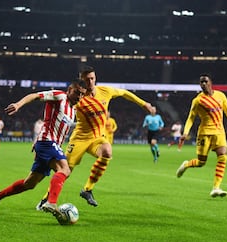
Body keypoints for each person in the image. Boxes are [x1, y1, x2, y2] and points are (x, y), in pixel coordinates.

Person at [36, 65, 155, 208]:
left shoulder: (105, 91)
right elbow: (57, 113)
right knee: (65, 171)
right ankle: (46, 198)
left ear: (95, 77)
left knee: (107, 151)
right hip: (79, 138)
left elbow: (124, 93)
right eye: (86, 80)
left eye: (92, 78)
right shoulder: (77, 97)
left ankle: (87, 189)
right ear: (81, 81)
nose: (90, 82)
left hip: (97, 138)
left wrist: (144, 104)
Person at [0, 80, 87, 224]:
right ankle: (51, 202)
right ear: (69, 89)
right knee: (64, 169)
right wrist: (18, 105)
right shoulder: (59, 96)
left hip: (48, 145)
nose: (79, 96)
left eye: (82, 94)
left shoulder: (73, 110)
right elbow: (34, 95)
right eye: (77, 92)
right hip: (47, 142)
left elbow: (55, 124)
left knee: (29, 184)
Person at [176, 74, 227, 198]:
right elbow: (191, 118)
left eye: (205, 81)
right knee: (201, 162)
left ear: (211, 82)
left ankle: (216, 188)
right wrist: (185, 133)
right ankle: (186, 165)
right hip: (204, 133)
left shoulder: (221, 96)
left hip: (219, 132)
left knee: (223, 157)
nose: (203, 84)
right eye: (201, 82)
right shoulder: (197, 101)